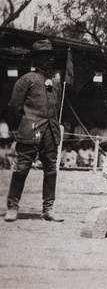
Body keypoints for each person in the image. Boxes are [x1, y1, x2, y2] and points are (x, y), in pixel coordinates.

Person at [4, 40, 64, 222]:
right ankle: (12, 207)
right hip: (30, 131)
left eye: (51, 56)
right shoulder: (26, 80)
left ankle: (48, 209)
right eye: (45, 56)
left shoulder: (55, 81)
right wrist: (25, 123)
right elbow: (14, 107)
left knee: (51, 170)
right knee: (22, 168)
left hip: (50, 133)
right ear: (36, 58)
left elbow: (57, 105)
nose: (50, 59)